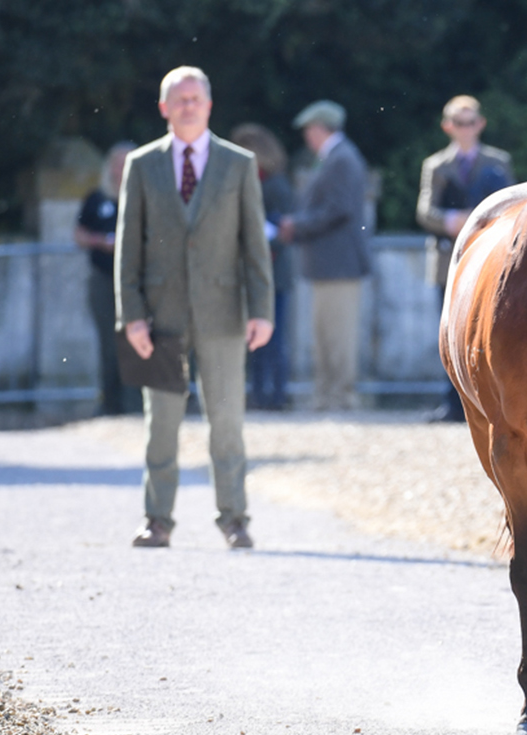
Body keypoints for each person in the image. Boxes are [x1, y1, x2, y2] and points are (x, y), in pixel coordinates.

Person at [115, 66, 275, 549]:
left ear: (209, 105)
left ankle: (234, 518)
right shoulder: (142, 165)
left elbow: (254, 244)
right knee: (160, 422)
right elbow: (128, 247)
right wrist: (131, 315)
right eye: (178, 99)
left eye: (195, 98)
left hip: (224, 313)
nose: (188, 105)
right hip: (160, 318)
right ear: (163, 108)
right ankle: (157, 519)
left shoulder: (238, 163)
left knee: (226, 419)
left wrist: (262, 309)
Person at [416, 95, 514, 422]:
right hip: (449, 260)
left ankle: (487, 400)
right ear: (448, 127)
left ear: (480, 124)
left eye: (470, 121)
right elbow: (425, 210)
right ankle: (452, 401)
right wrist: (449, 220)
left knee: (491, 331)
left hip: (490, 261)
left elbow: (512, 204)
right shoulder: (436, 165)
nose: (466, 128)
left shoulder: (499, 162)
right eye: (459, 122)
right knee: (450, 333)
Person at [279, 100, 372, 411]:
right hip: (329, 263)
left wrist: (298, 224)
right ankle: (327, 395)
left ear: (321, 128)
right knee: (325, 336)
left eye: (309, 129)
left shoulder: (341, 159)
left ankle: (341, 396)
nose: (307, 135)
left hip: (339, 263)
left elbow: (339, 209)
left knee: (337, 337)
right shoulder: (334, 157)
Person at [229, 123, 295, 411]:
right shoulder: (250, 181)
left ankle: (276, 395)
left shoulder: (275, 184)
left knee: (274, 336)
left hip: (274, 271)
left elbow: (285, 229)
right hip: (252, 271)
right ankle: (258, 393)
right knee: (253, 338)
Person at [75, 141, 140, 416]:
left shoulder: (143, 196)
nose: (121, 169)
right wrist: (101, 242)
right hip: (103, 279)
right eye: (117, 163)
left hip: (136, 281)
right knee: (108, 344)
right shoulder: (96, 198)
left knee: (134, 341)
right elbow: (79, 234)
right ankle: (109, 404)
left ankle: (133, 405)